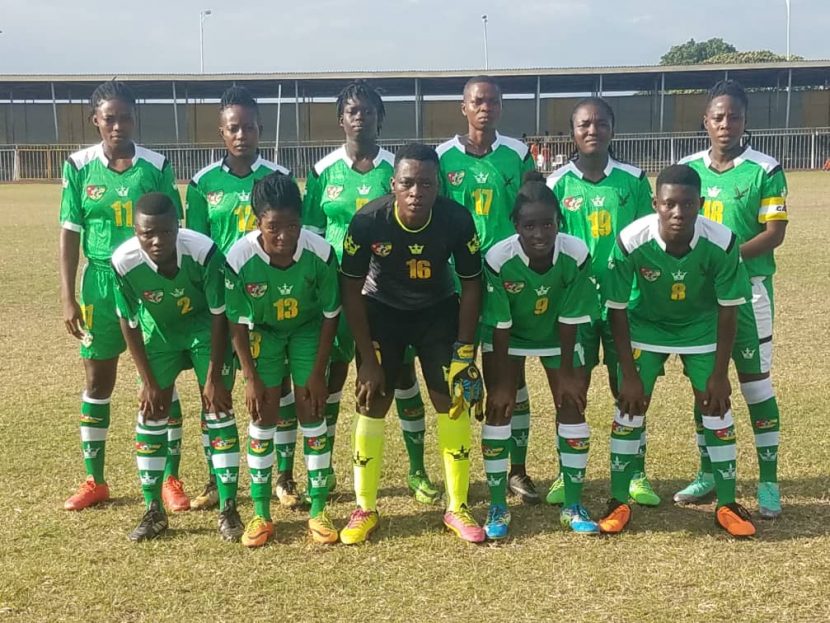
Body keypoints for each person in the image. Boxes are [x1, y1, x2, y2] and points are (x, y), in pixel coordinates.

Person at [598, 164, 756, 538]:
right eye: (669, 204)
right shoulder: (630, 240)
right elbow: (617, 311)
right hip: (645, 329)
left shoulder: (722, 241)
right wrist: (629, 374)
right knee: (629, 407)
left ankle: (727, 504)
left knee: (717, 409)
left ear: (701, 203)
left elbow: (728, 310)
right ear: (655, 203)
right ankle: (618, 500)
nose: (679, 212)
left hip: (700, 330)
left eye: (688, 204)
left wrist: (719, 375)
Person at [338, 143, 485, 544]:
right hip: (382, 312)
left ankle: (457, 505)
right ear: (393, 184)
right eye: (408, 182)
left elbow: (473, 284)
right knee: (372, 399)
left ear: (438, 186)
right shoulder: (369, 221)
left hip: (437, 312)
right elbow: (350, 289)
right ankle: (365, 507)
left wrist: (465, 353)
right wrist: (366, 358)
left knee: (452, 398)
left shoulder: (456, 219)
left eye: (426, 183)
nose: (416, 191)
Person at [303, 80, 439, 504]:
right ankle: (322, 473)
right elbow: (311, 233)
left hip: (389, 291)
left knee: (400, 375)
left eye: (368, 110)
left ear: (381, 117)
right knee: (333, 375)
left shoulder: (395, 169)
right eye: (351, 111)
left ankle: (417, 470)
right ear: (340, 118)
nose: (359, 117)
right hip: (337, 288)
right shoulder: (323, 171)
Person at [59, 80, 183, 512]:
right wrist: (68, 296)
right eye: (108, 118)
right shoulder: (77, 166)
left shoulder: (156, 165)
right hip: (99, 286)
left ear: (135, 118)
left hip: (150, 284)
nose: (117, 125)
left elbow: (175, 230)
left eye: (124, 117)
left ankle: (171, 478)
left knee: (161, 377)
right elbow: (70, 232)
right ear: (96, 120)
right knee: (97, 380)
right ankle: (95, 479)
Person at [185, 85, 299, 512]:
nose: (241, 135)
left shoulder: (278, 178)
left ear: (259, 129)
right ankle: (217, 477)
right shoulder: (201, 184)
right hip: (221, 304)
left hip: (268, 302)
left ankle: (285, 478)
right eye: (233, 128)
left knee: (277, 388)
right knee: (214, 389)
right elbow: (194, 247)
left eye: (248, 127)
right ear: (221, 131)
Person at [677, 80, 787, 518]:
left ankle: (768, 482)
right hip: (702, 297)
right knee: (705, 384)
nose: (726, 125)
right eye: (718, 117)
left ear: (745, 121)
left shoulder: (765, 168)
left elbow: (774, 233)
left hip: (749, 293)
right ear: (705, 121)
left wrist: (726, 260)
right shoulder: (687, 168)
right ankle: (708, 472)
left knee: (755, 385)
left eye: (734, 117)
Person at [545, 97, 658, 507]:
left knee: (628, 386)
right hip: (575, 306)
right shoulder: (556, 183)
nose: (592, 130)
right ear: (572, 132)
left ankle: (635, 474)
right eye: (584, 124)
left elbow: (649, 239)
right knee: (570, 388)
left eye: (600, 123)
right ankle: (565, 472)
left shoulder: (633, 180)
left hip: (624, 303)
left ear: (613, 128)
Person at [112, 193, 239, 541]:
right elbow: (130, 323)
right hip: (161, 334)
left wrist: (214, 376)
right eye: (147, 234)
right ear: (136, 231)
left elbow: (219, 314)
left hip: (204, 332)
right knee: (150, 412)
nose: (156, 241)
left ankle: (229, 508)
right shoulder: (123, 261)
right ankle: (153, 510)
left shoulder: (203, 251)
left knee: (218, 408)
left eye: (165, 232)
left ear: (177, 227)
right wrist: (149, 381)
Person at [436, 75, 540, 504]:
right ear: (463, 107)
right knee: (455, 378)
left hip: (504, 282)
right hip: (454, 282)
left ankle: (516, 470)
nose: (485, 107)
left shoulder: (518, 154)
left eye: (493, 101)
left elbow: (535, 208)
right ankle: (458, 474)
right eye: (477, 101)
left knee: (510, 379)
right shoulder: (442, 157)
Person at [481, 172, 600, 539]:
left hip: (556, 335)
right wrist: (501, 383)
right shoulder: (499, 258)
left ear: (559, 223)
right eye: (529, 225)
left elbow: (570, 317)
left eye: (547, 224)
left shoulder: (576, 253)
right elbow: (500, 324)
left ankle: (573, 504)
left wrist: (566, 371)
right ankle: (498, 504)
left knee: (571, 404)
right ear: (515, 224)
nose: (538, 234)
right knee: (500, 406)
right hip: (509, 337)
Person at [225, 173, 340, 547]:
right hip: (265, 334)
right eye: (273, 227)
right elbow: (236, 322)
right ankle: (260, 514)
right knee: (263, 415)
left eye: (292, 226)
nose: (283, 236)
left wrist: (318, 371)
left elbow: (328, 315)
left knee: (312, 409)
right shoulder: (239, 258)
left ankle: (318, 511)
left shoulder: (321, 252)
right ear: (257, 221)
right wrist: (250, 376)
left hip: (307, 331)